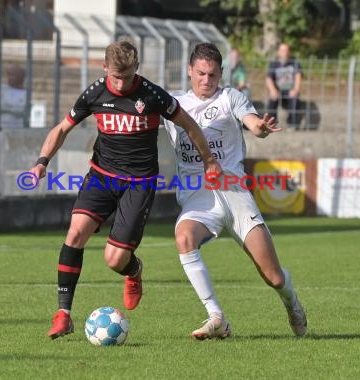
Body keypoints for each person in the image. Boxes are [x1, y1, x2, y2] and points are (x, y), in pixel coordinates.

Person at [28, 40, 221, 340]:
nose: (121, 83)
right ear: (105, 68)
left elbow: (189, 124)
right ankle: (63, 314)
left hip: (139, 182)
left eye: (128, 77)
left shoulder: (152, 94)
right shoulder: (95, 92)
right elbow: (62, 128)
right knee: (75, 232)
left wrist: (209, 161)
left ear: (137, 69)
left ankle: (134, 271)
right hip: (102, 175)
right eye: (116, 77)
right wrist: (42, 162)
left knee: (114, 259)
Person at [164, 42, 307, 339]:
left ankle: (291, 302)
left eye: (213, 75)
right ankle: (216, 317)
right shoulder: (173, 103)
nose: (206, 80)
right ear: (190, 70)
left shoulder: (230, 97)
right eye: (201, 73)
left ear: (221, 74)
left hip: (235, 194)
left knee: (273, 276)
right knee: (184, 237)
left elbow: (251, 121)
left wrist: (260, 127)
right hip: (198, 196)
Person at [265, 42, 302, 130]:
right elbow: (268, 79)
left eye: (286, 50)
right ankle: (271, 124)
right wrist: (272, 90)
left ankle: (292, 124)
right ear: (278, 52)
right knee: (272, 98)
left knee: (294, 98)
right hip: (277, 90)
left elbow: (298, 77)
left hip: (290, 89)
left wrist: (296, 89)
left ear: (289, 52)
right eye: (282, 50)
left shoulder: (295, 63)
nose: (284, 52)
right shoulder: (273, 64)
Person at [0, 63, 27, 128]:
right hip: (2, 128)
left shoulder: (26, 93)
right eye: (8, 75)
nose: (9, 78)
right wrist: (13, 109)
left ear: (20, 77)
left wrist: (5, 108)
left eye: (12, 75)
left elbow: (22, 111)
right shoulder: (2, 89)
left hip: (18, 128)